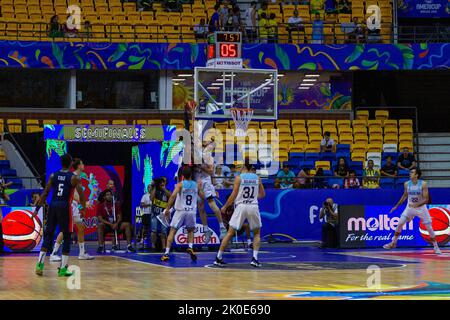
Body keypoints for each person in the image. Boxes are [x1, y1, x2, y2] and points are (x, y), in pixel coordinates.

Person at [35, 153, 86, 277]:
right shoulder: (74, 177)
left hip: (53, 205)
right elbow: (82, 195)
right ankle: (63, 269)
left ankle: (39, 264)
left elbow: (45, 193)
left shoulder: (53, 175)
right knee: (67, 236)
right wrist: (83, 208)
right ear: (70, 164)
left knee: (48, 235)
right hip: (64, 206)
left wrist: (37, 208)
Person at [214, 160, 265, 267]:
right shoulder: (257, 178)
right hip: (253, 206)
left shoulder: (239, 178)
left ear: (243, 166)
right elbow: (262, 195)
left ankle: (218, 257)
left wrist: (225, 206)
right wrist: (253, 199)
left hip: (241, 206)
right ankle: (254, 259)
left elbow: (233, 195)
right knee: (256, 233)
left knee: (230, 233)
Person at [383, 168, 441, 254]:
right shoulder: (406, 184)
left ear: (417, 175)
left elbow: (426, 199)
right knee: (400, 223)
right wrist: (396, 206)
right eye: (410, 172)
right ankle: (393, 243)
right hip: (409, 207)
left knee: (429, 228)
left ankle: (436, 246)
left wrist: (417, 205)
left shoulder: (423, 184)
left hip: (421, 208)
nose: (410, 174)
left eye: (412, 172)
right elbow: (404, 196)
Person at [50, 158, 94, 261]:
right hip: (70, 206)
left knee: (81, 227)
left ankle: (82, 253)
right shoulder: (72, 177)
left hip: (72, 206)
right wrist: (84, 203)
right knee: (65, 229)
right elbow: (72, 195)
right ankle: (54, 253)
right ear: (79, 166)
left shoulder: (76, 176)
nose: (84, 165)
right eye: (82, 163)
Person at [160, 166, 204, 262]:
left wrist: (167, 209)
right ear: (191, 174)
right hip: (191, 211)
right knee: (191, 230)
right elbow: (202, 197)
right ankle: (190, 247)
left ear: (182, 175)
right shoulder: (196, 185)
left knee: (172, 231)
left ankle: (166, 253)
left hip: (181, 210)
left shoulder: (180, 185)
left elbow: (172, 197)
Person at [150, 177, 170, 252]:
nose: (162, 183)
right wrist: (155, 187)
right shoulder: (155, 190)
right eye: (161, 182)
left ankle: (164, 247)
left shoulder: (167, 190)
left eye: (164, 182)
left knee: (163, 231)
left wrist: (164, 189)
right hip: (154, 213)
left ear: (166, 183)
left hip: (163, 214)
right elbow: (151, 198)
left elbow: (171, 196)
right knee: (153, 230)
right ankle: (153, 246)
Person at [139, 183, 153, 251]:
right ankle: (142, 240)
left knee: (152, 228)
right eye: (148, 187)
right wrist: (149, 204)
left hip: (153, 214)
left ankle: (150, 241)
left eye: (151, 187)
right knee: (144, 227)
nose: (149, 188)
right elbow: (141, 204)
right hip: (146, 214)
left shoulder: (155, 195)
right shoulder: (145, 196)